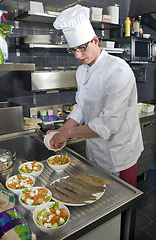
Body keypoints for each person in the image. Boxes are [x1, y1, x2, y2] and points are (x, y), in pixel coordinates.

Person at [47, 4, 144, 187]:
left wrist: (66, 134)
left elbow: (108, 124)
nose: (77, 55)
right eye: (72, 49)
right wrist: (60, 132)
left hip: (120, 153)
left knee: (120, 206)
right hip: (94, 151)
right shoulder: (82, 71)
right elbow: (80, 107)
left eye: (82, 48)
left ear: (95, 40)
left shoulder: (119, 70)